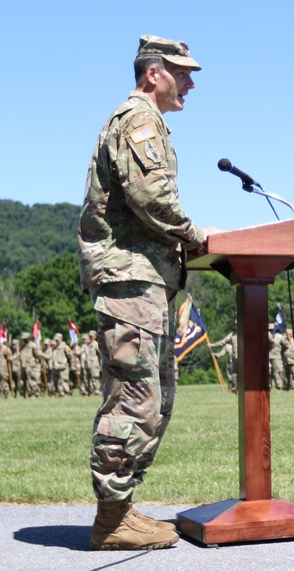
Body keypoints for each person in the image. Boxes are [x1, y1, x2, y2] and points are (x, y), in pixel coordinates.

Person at [78, 35, 207, 551]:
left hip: (146, 281)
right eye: (184, 72)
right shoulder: (139, 120)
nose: (192, 82)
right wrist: (198, 235)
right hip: (130, 278)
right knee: (135, 396)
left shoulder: (145, 121)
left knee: (153, 397)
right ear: (153, 73)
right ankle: (112, 517)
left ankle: (120, 509)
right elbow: (152, 194)